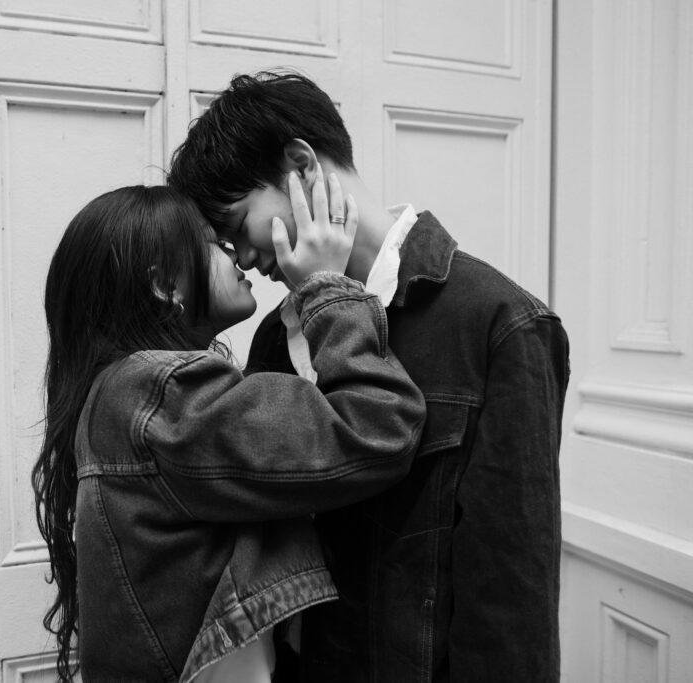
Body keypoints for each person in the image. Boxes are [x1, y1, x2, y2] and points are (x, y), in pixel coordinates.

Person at [168, 71, 570, 681]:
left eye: (238, 224)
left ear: (301, 166)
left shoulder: (499, 322)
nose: (243, 258)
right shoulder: (278, 335)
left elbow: (511, 595)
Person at [33, 181, 425, 682]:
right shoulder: (163, 394)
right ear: (165, 286)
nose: (238, 256)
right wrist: (326, 285)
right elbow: (378, 425)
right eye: (215, 243)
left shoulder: (127, 393)